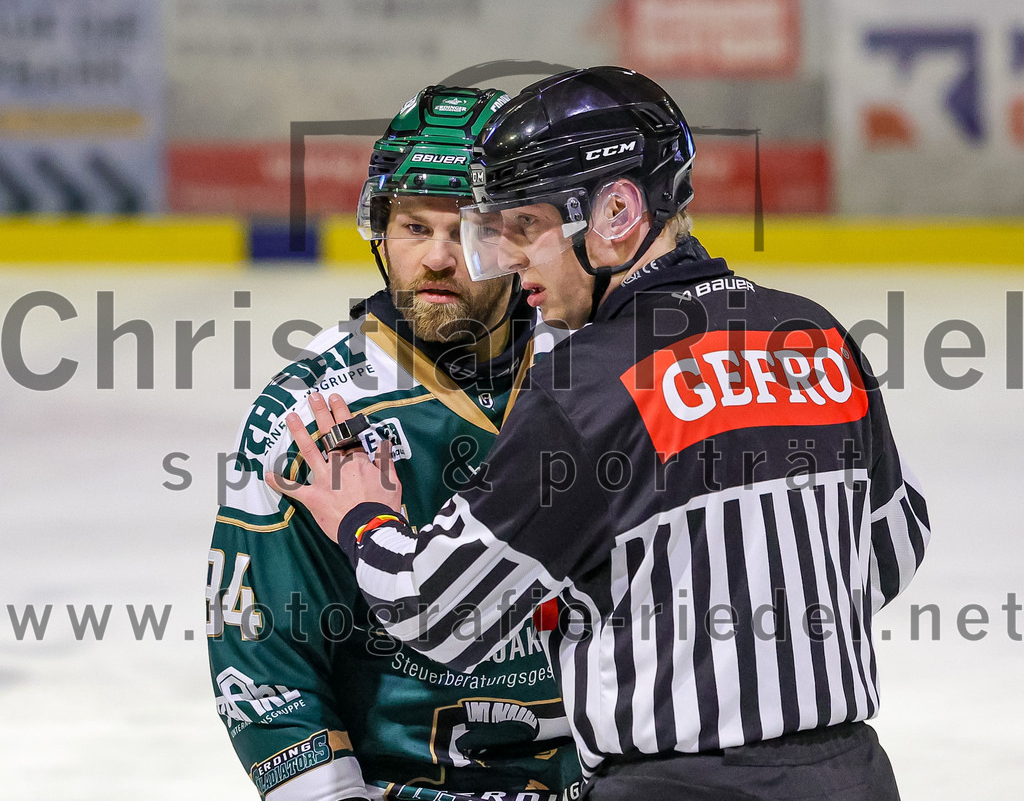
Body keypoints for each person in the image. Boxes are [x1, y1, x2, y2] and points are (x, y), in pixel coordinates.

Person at [270, 67, 930, 800]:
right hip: (857, 779)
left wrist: (363, 516)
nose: (509, 257)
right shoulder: (815, 334)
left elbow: (439, 611)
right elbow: (891, 552)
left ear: (617, 210)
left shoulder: (585, 385)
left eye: (526, 226)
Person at [207, 85, 583, 801]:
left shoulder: (598, 381)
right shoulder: (313, 411)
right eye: (414, 227)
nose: (437, 259)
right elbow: (265, 662)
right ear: (379, 231)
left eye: (469, 230)